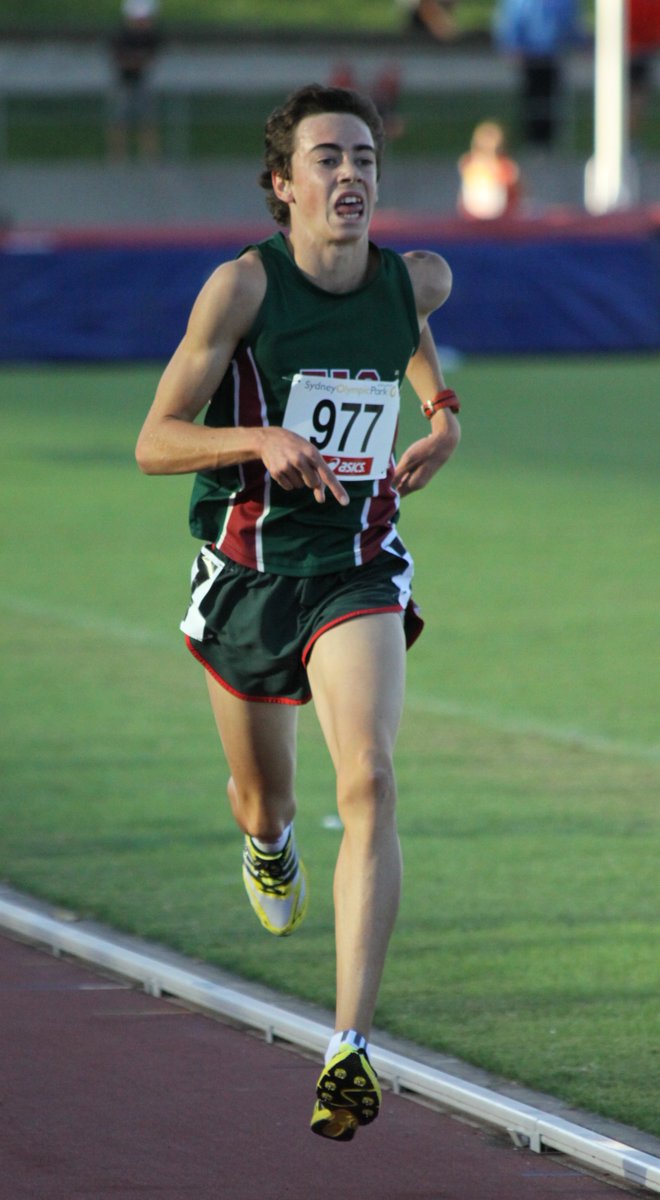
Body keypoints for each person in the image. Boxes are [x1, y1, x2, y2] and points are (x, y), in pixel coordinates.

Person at [135, 83, 459, 1142]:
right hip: (248, 572)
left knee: (366, 775)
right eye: (326, 157)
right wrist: (259, 441)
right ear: (283, 186)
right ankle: (270, 843)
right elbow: (155, 441)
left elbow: (405, 329)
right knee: (262, 799)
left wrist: (441, 411)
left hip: (355, 563)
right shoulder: (240, 291)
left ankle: (350, 1047)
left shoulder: (416, 279)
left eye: (363, 156)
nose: (351, 174)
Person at [493, 0, 583, 149]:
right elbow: (511, 21)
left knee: (551, 99)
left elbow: (570, 23)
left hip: (553, 55)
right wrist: (512, 46)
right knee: (532, 99)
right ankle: (533, 141)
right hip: (529, 57)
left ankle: (548, 141)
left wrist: (578, 43)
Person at [107, 0, 162, 161]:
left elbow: (151, 59)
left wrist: (135, 60)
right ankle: (117, 157)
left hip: (142, 82)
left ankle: (150, 157)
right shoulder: (121, 35)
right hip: (124, 81)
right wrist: (138, 59)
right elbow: (121, 60)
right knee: (119, 120)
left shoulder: (152, 36)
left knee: (147, 120)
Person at [457, 120, 522, 219]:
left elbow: (517, 192)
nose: (488, 144)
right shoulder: (470, 163)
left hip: (503, 217)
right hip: (474, 216)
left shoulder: (506, 166)